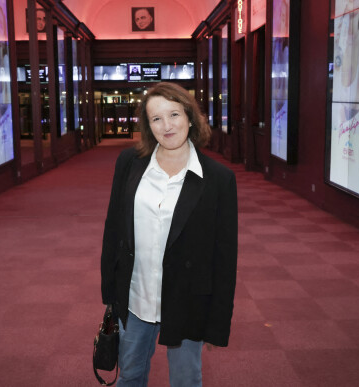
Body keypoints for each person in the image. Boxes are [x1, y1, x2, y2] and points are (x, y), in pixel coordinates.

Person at [100, 82, 238, 386]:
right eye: (156, 119)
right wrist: (110, 291)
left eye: (174, 114)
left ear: (190, 116)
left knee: (186, 380)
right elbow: (114, 229)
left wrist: (218, 324)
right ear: (148, 127)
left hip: (187, 299)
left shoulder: (218, 179)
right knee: (130, 375)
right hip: (136, 297)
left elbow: (225, 258)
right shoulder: (130, 164)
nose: (167, 126)